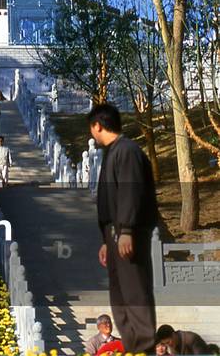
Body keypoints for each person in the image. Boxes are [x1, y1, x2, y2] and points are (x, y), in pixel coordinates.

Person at [90, 102, 159, 356]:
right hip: (114, 233)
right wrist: (106, 240)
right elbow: (110, 201)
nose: (92, 134)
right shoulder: (112, 153)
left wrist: (127, 229)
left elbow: (131, 192)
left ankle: (144, 349)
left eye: (92, 128)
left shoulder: (127, 151)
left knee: (135, 292)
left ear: (98, 125)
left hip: (127, 232)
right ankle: (132, 348)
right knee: (119, 298)